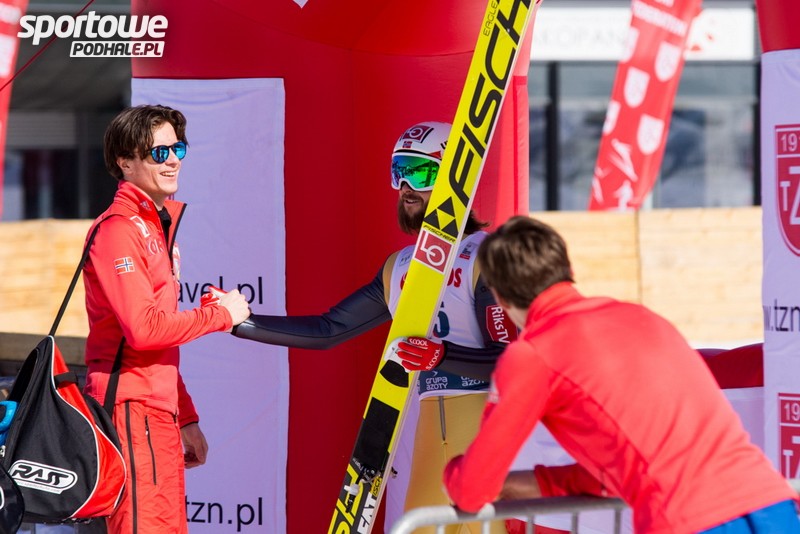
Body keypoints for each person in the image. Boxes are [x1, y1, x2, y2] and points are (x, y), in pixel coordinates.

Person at [232, 121, 514, 533]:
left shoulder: (487, 255)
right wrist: (239, 322)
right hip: (430, 431)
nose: (405, 187)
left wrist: (442, 355)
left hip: (483, 425)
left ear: (456, 177)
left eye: (419, 172)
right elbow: (330, 329)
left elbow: (511, 360)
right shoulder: (399, 266)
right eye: (399, 172)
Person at [443, 215, 800, 533]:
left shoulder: (532, 353)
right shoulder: (641, 318)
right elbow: (640, 459)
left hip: (688, 517)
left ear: (500, 297)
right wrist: (540, 482)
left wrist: (453, 474)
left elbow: (473, 489)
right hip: (769, 502)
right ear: (566, 269)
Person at [82, 104, 251, 534]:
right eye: (159, 152)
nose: (173, 160)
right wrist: (220, 314)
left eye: (178, 149)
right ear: (125, 162)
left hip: (155, 413)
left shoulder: (153, 227)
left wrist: (186, 418)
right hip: (130, 411)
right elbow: (145, 330)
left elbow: (159, 345)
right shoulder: (119, 229)